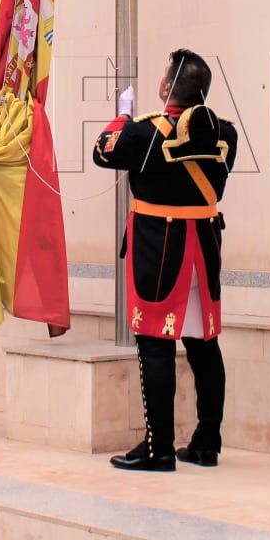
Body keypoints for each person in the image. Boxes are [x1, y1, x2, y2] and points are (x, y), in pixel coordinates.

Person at [93, 49, 237, 471]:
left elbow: (103, 152)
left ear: (165, 87)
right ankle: (207, 443)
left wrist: (121, 117)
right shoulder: (226, 132)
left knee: (155, 344)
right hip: (204, 247)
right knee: (204, 346)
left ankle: (158, 447)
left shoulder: (143, 131)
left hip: (160, 245)